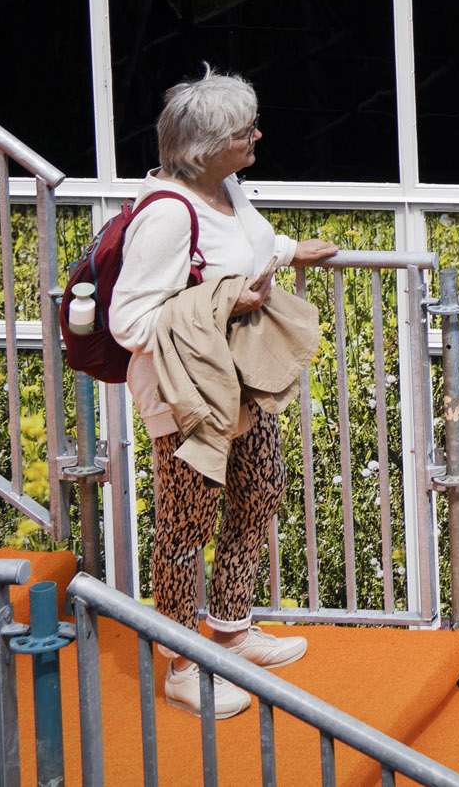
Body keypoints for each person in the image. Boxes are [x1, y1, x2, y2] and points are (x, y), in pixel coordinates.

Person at [108, 70, 341, 717]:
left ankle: (232, 629)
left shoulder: (224, 188)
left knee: (260, 493)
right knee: (186, 526)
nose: (257, 135)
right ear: (205, 147)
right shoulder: (165, 216)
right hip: (187, 397)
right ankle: (183, 663)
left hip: (238, 382)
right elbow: (128, 322)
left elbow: (241, 244)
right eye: (245, 131)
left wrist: (291, 251)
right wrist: (222, 302)